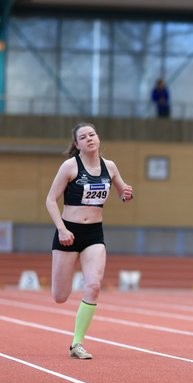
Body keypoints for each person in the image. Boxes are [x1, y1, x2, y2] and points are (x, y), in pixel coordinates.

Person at [44, 123, 134, 360]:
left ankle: (77, 343)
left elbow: (122, 191)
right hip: (69, 233)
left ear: (98, 138)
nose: (89, 139)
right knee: (60, 296)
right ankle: (61, 280)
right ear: (77, 144)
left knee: (93, 286)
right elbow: (51, 200)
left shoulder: (110, 166)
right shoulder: (70, 166)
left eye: (92, 135)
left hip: (94, 234)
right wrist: (62, 229)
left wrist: (126, 193)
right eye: (83, 137)